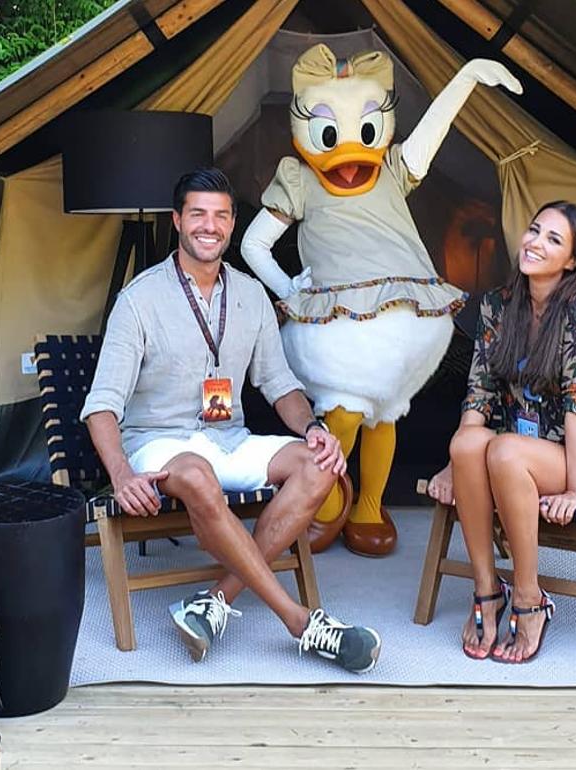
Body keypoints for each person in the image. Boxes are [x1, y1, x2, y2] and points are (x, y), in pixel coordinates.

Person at [81, 168, 382, 673]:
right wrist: (122, 474)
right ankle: (299, 621)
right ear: (177, 221)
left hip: (229, 438)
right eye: (198, 214)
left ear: (232, 224)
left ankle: (216, 600)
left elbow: (280, 384)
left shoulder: (250, 295)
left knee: (321, 464)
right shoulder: (139, 299)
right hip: (159, 443)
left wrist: (314, 430)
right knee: (197, 473)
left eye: (220, 215)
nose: (209, 225)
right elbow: (102, 405)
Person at [425, 201, 576, 664]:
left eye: (553, 239)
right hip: (518, 452)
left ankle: (529, 597)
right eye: (534, 231)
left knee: (505, 451)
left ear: (573, 261)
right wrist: (456, 465)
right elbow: (480, 391)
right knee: (469, 443)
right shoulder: (498, 305)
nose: (535, 243)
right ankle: (487, 592)